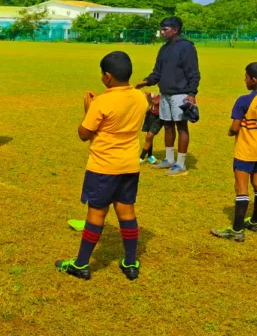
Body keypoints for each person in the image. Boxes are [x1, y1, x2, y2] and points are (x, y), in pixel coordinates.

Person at [55, 52, 146, 281]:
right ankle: (131, 261)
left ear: (107, 77)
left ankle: (81, 264)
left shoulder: (102, 102)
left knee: (96, 214)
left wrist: (89, 110)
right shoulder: (140, 97)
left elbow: (83, 134)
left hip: (103, 166)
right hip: (129, 165)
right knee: (127, 212)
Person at [211, 62, 257, 242]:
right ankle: (256, 222)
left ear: (254, 80)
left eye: (246, 77)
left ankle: (236, 230)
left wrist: (230, 132)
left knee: (241, 187)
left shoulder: (244, 100)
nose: (244, 80)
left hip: (245, 150)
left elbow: (235, 126)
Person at [136, 16, 200, 177]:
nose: (162, 32)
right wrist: (147, 81)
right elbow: (157, 72)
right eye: (161, 29)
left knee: (181, 127)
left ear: (175, 30)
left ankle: (181, 163)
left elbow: (194, 73)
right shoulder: (163, 49)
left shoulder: (187, 47)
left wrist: (192, 94)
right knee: (168, 126)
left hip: (181, 94)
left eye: (165, 29)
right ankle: (170, 159)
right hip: (165, 93)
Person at [140, 91, 161, 165]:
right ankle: (150, 156)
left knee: (150, 135)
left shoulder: (167, 91)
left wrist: (149, 96)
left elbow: (155, 102)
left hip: (160, 117)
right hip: (151, 114)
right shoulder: (160, 91)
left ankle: (141, 157)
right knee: (149, 136)